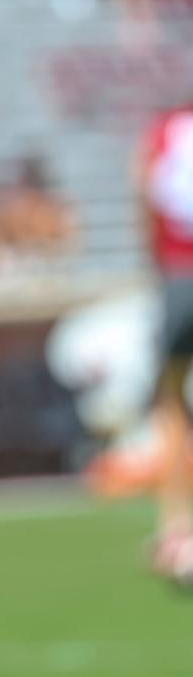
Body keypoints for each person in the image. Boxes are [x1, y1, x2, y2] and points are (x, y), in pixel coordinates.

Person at [141, 104, 193, 585]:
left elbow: (148, 190)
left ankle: (176, 526)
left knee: (171, 400)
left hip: (180, 274)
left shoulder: (168, 126)